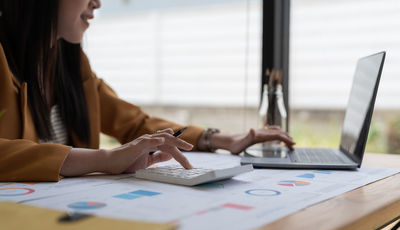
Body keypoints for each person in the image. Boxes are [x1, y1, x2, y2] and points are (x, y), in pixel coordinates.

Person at [0, 0, 295, 182]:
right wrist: (105, 160)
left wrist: (222, 139)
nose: (98, 3)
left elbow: (136, 124)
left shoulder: (71, 64)